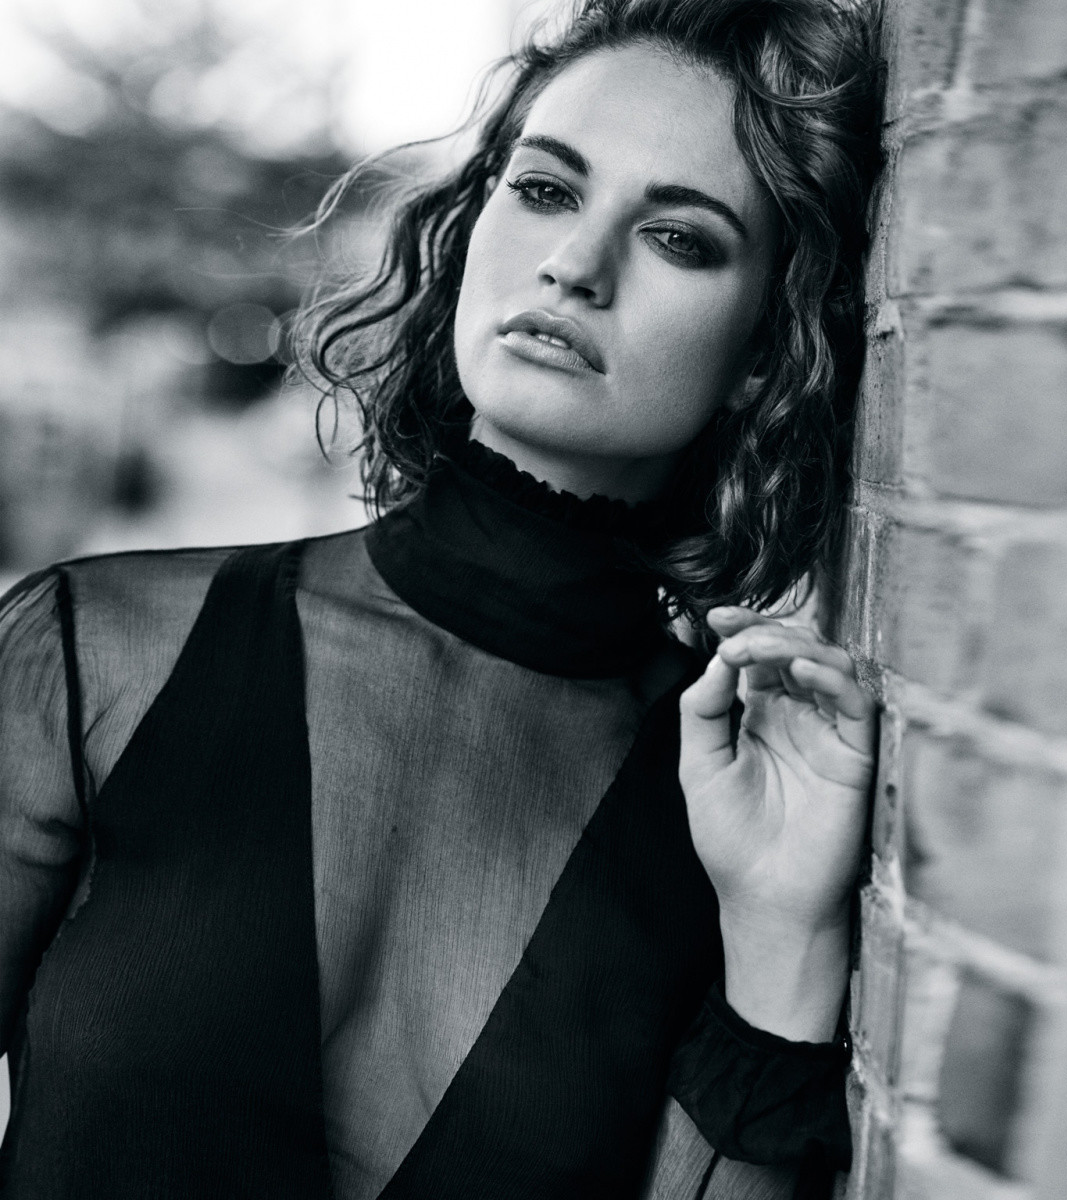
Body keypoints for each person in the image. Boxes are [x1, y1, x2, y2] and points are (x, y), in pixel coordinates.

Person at [0, 0, 883, 1196]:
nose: (576, 265)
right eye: (547, 190)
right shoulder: (94, 656)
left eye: (679, 238)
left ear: (766, 352)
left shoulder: (720, 814)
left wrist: (783, 928)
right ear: (473, 224)